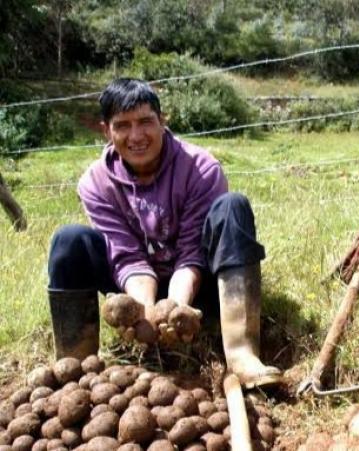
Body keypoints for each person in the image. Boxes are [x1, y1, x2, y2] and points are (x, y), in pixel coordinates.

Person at [46, 78, 282, 388]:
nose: (136, 136)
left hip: (200, 287)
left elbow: (191, 253)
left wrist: (175, 310)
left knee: (232, 207)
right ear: (107, 131)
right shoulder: (96, 183)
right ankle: (76, 368)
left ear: (162, 121)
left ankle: (241, 354)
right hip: (135, 290)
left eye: (146, 122)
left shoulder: (201, 168)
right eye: (123, 125)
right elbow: (126, 255)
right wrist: (144, 312)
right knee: (68, 241)